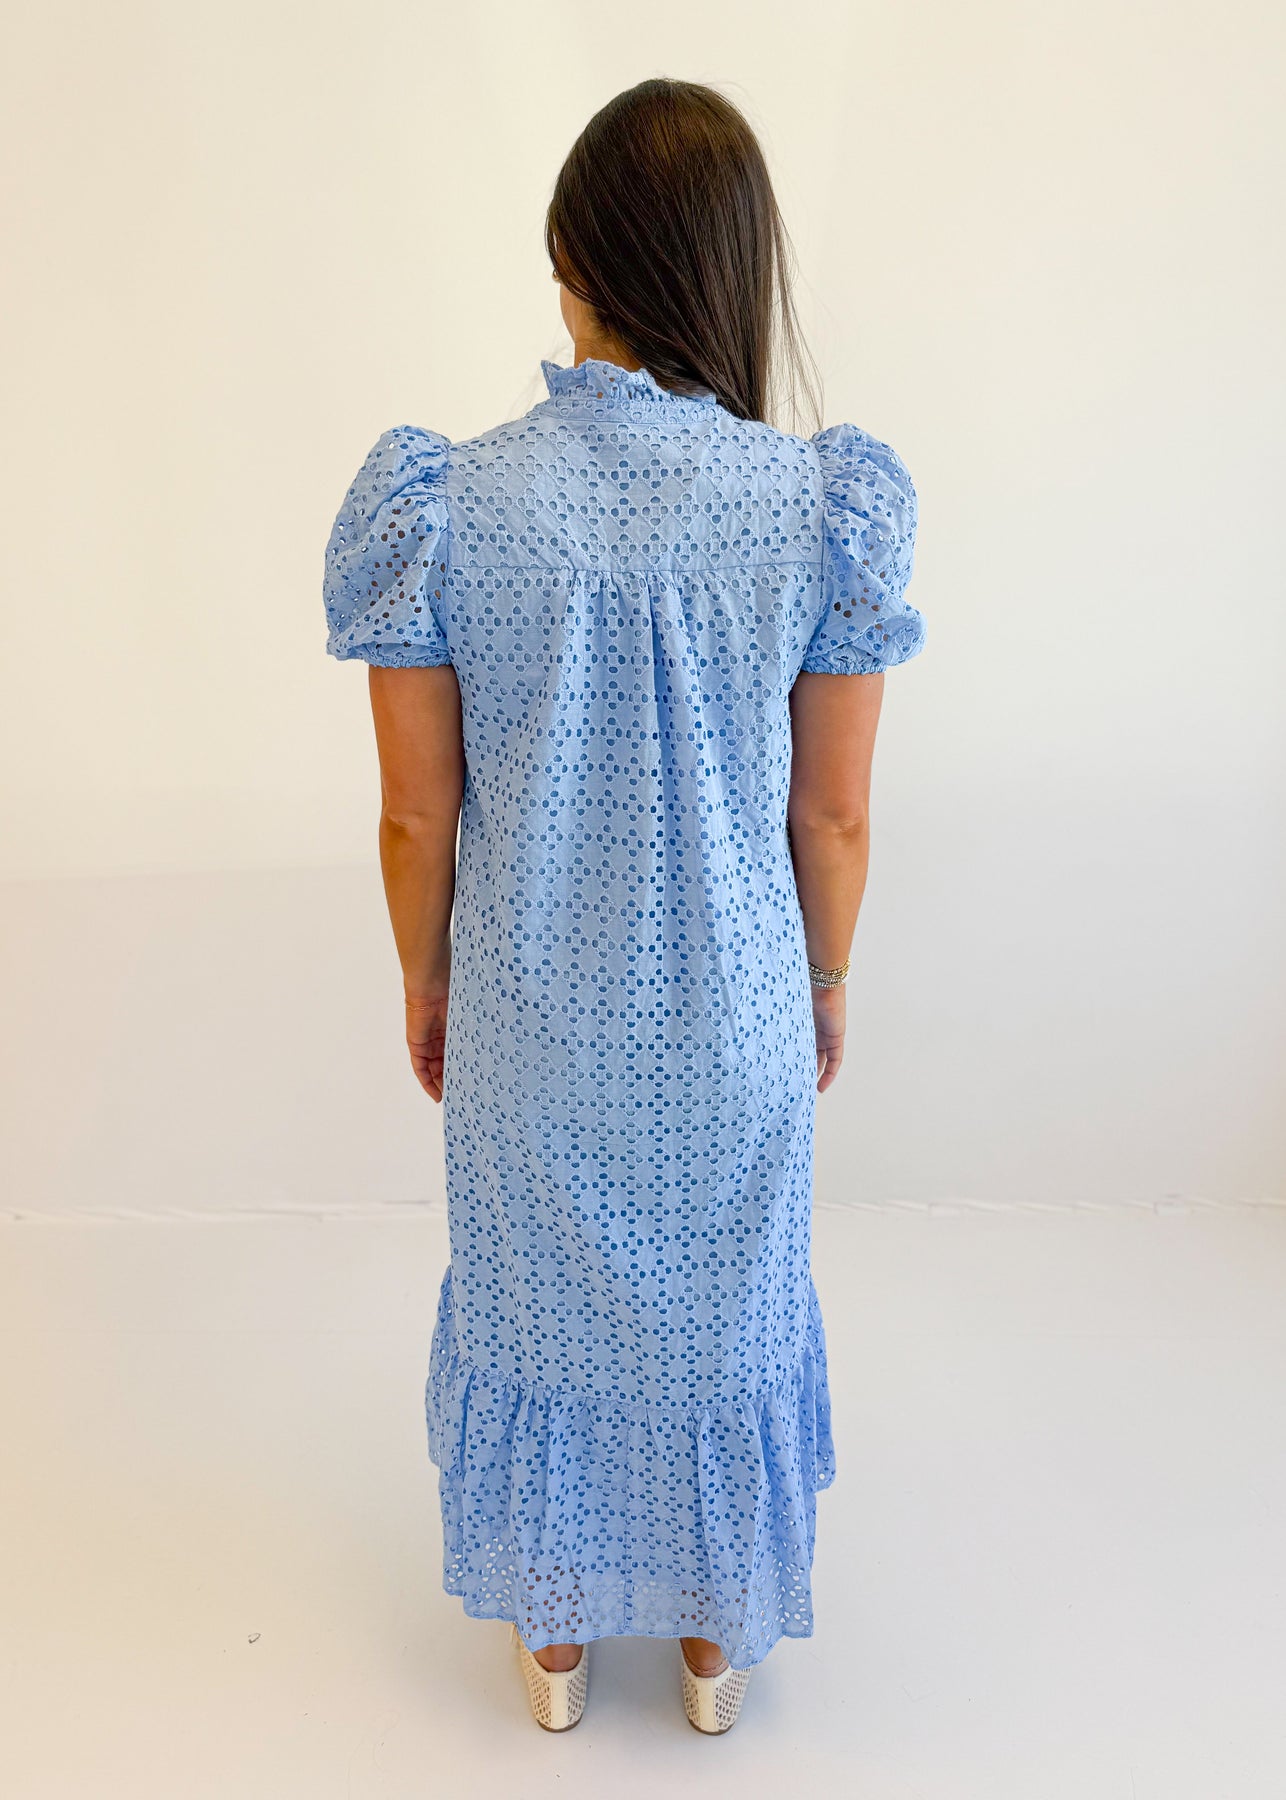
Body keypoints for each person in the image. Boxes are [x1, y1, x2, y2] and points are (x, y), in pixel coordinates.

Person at [321, 77, 925, 1736]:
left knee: (539, 1313)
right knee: (728, 1316)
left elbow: (414, 812)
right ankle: (717, 1654)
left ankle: (557, 1649)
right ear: (731, 272)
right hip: (735, 1017)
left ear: (570, 264)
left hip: (530, 1017)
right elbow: (832, 813)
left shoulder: (444, 502)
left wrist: (424, 984)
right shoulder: (817, 508)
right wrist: (825, 982)